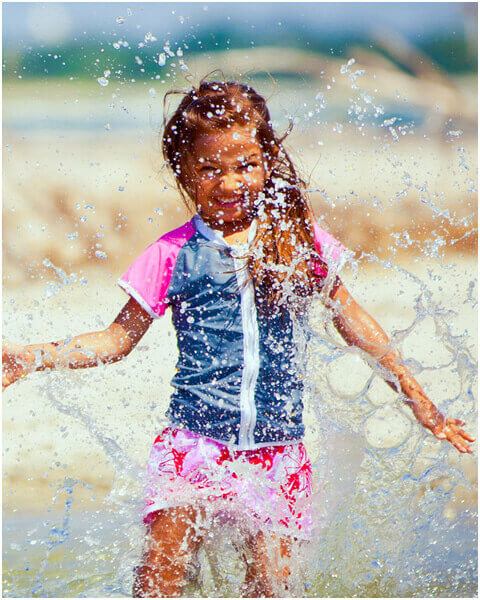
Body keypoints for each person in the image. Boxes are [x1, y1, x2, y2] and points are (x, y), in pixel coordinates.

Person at [2, 80, 474, 598]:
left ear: (268, 161)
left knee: (270, 586)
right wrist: (33, 356)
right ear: (185, 172)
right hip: (193, 444)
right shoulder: (172, 254)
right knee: (158, 574)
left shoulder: (298, 243)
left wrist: (415, 394)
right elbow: (117, 339)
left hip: (279, 453)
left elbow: (352, 321)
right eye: (210, 170)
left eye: (246, 165)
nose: (230, 183)